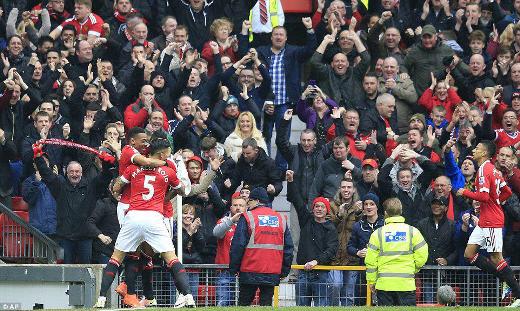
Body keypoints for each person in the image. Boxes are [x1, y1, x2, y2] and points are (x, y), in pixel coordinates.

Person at [94, 136, 194, 308]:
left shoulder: (133, 168)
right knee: (171, 259)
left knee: (116, 259)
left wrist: (122, 190)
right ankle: (188, 296)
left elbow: (116, 187)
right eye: (168, 153)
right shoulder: (168, 171)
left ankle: (101, 299)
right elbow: (183, 191)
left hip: (133, 216)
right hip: (154, 217)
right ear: (162, 155)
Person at [456, 140, 520, 307]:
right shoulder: (493, 170)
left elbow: (484, 197)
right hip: (485, 219)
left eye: (477, 148)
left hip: (491, 220)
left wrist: (465, 192)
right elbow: (506, 191)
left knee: (496, 257)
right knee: (469, 254)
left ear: (484, 153)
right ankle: (504, 277)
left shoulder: (485, 169)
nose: (474, 149)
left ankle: (518, 294)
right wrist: (496, 204)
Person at [229, 187, 294, 306]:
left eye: (250, 201)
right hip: (272, 270)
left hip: (250, 269)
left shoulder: (248, 217)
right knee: (266, 303)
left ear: (257, 201)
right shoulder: (280, 219)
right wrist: (284, 271)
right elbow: (289, 248)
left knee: (244, 303)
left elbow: (238, 245)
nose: (248, 204)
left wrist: (234, 268)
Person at [365, 197, 428, 306]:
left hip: (384, 285)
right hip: (406, 284)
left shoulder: (377, 234)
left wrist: (372, 281)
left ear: (385, 213)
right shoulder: (412, 231)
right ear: (401, 211)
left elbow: (370, 261)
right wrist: (414, 268)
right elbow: (422, 255)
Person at [213, 193, 247, 306]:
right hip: (225, 270)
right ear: (230, 207)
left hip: (243, 270)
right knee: (223, 304)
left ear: (246, 207)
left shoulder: (250, 222)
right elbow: (217, 233)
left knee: (242, 304)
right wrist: (231, 220)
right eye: (235, 205)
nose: (238, 208)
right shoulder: (224, 221)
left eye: (241, 205)